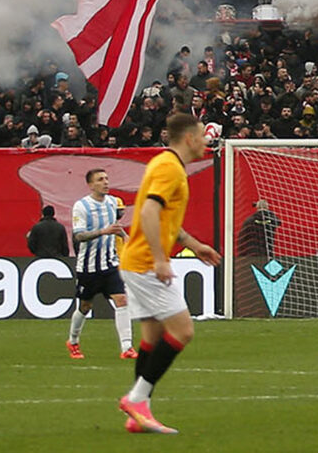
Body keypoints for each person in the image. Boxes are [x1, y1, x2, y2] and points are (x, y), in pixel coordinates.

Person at [114, 112, 222, 434]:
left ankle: (138, 415)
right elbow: (147, 211)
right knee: (183, 330)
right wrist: (161, 260)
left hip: (138, 261)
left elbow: (163, 217)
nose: (207, 141)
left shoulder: (167, 165)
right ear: (189, 138)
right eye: (202, 135)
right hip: (147, 263)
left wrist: (193, 243)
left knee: (152, 336)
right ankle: (136, 399)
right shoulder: (169, 168)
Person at [69, 168, 135, 360]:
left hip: (110, 264)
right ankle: (73, 341)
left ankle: (127, 347)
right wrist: (102, 232)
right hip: (88, 268)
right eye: (100, 179)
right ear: (90, 185)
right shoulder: (81, 206)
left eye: (106, 178)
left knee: (122, 300)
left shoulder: (113, 203)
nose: (105, 182)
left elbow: (114, 227)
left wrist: (124, 236)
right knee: (85, 306)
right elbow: (78, 235)